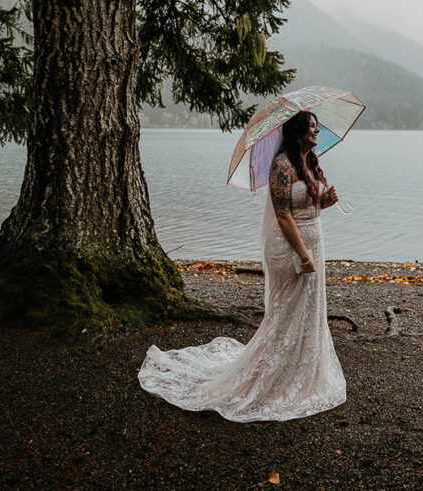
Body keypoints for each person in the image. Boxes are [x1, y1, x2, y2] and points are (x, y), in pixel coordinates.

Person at [138, 111, 346, 421]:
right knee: (286, 311)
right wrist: (303, 255)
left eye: (317, 127)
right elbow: (283, 215)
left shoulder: (310, 164)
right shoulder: (281, 166)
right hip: (291, 248)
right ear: (298, 131)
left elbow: (306, 208)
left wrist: (325, 201)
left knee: (308, 309)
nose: (317, 132)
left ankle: (298, 370)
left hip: (314, 242)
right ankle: (270, 377)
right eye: (313, 128)